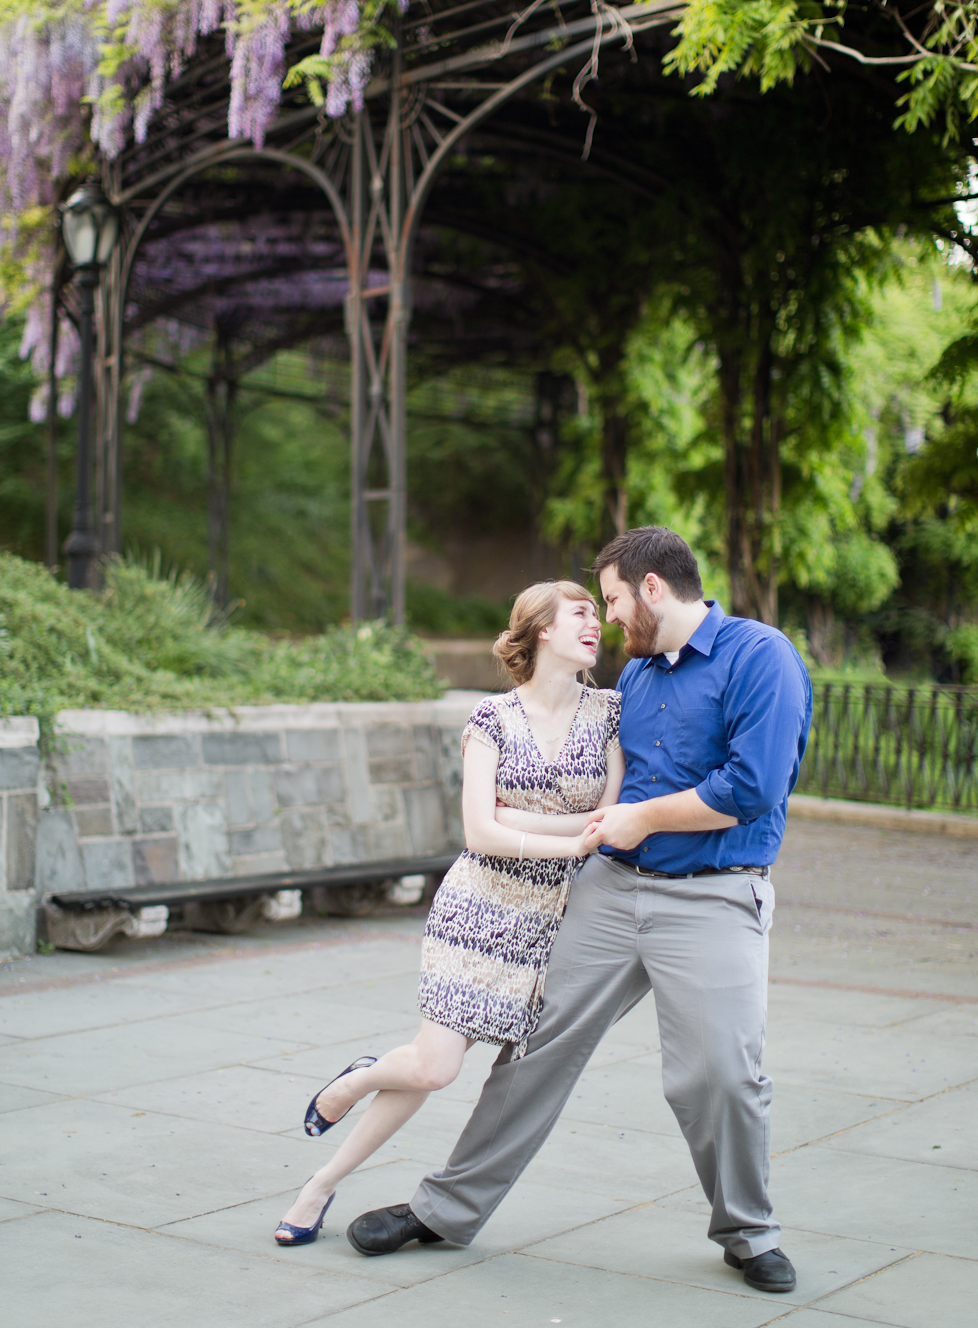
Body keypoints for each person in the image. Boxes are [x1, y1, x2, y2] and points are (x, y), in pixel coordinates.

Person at [347, 526, 813, 1297]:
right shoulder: (635, 680)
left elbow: (755, 785)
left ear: (653, 589)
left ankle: (747, 1231)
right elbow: (586, 774)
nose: (611, 616)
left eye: (615, 598)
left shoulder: (760, 656)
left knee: (719, 1077)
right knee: (532, 1049)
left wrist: (646, 818)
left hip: (715, 894)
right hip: (610, 889)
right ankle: (446, 1209)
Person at [274, 579, 624, 1247]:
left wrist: (520, 817)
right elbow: (478, 833)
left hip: (550, 924)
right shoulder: (490, 719)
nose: (596, 624)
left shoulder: (610, 713)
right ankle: (359, 1082)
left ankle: (319, 1182)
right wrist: (556, 832)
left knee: (432, 1067)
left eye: (598, 616)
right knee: (434, 1068)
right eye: (581, 613)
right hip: (477, 908)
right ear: (542, 629)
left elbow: (604, 817)